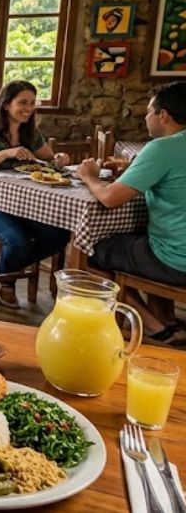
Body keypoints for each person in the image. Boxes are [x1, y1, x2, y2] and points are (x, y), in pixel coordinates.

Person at [77, 82, 186, 345]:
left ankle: (153, 326)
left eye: (149, 112)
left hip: (175, 260)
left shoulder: (162, 148)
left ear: (164, 115)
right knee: (135, 240)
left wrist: (89, 176)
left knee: (87, 252)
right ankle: (166, 318)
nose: (145, 117)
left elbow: (110, 198)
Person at [0, 80, 72, 308]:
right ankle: (6, 283)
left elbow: (49, 159)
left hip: (18, 204)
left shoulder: (29, 132)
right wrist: (6, 153)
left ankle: (1, 274)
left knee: (58, 236)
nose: (28, 108)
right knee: (18, 240)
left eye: (32, 103)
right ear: (5, 104)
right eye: (22, 102)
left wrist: (60, 158)